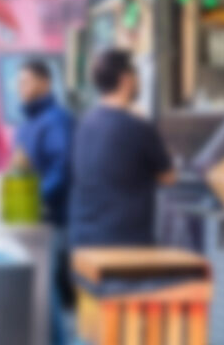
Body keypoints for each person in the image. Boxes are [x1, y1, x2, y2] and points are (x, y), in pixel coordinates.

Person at [69, 49, 176, 248]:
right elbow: (169, 177)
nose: (139, 82)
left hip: (83, 241)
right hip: (124, 247)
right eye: (137, 75)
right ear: (126, 79)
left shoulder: (84, 124)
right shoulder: (137, 127)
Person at [14, 60, 74, 345]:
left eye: (24, 82)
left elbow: (61, 171)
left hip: (50, 217)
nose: (18, 89)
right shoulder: (28, 122)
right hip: (28, 217)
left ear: (44, 83)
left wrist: (35, 198)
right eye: (18, 83)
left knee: (45, 288)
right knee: (36, 286)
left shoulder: (56, 121)